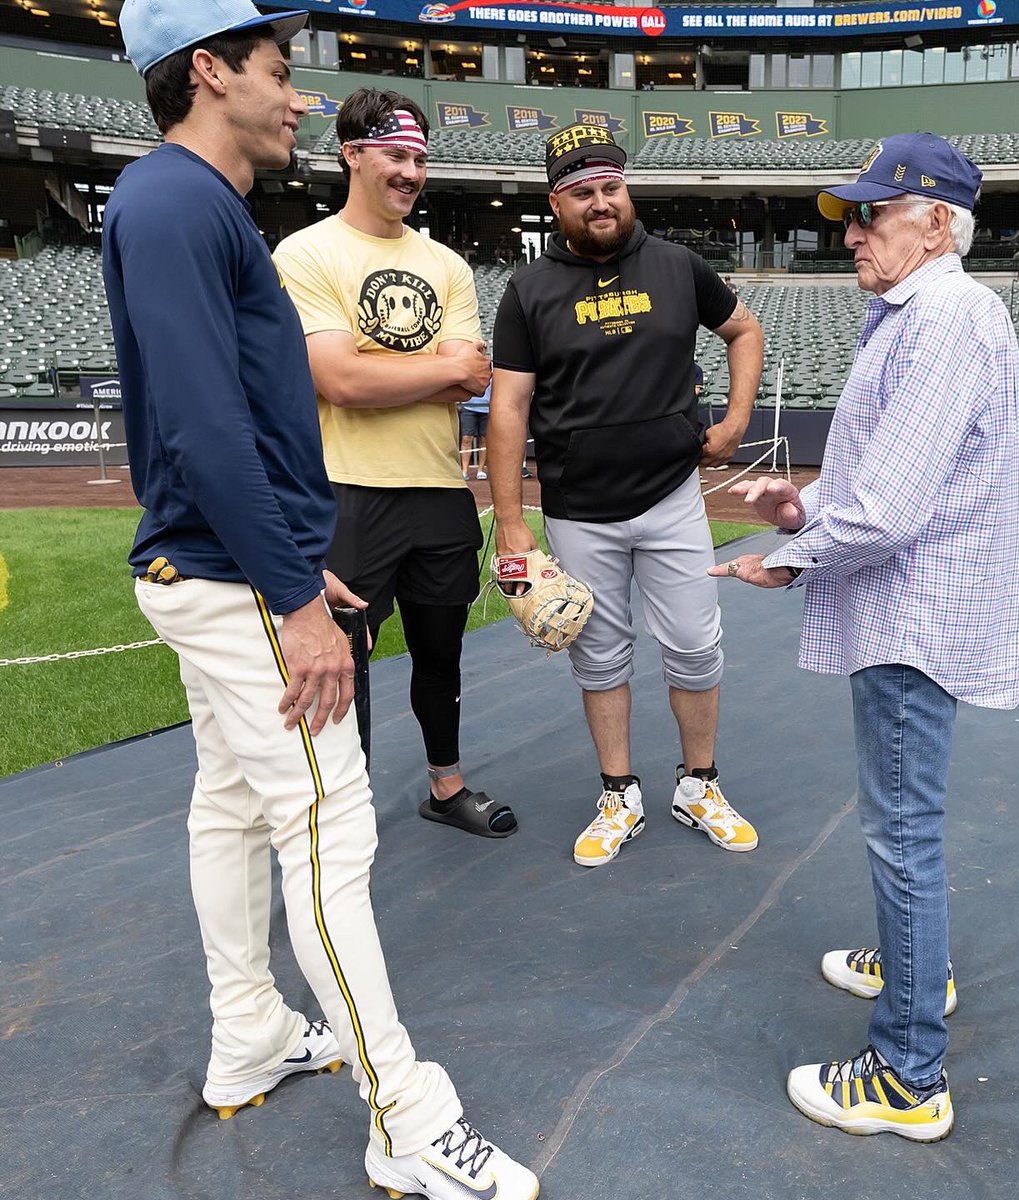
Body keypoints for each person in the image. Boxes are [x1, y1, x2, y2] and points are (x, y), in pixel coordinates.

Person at [102, 6, 536, 1197]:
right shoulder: (179, 201)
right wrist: (292, 592)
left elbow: (227, 416)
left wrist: (297, 555)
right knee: (329, 829)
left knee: (235, 810)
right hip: (237, 578)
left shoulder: (181, 203)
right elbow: (199, 425)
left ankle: (247, 1030)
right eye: (279, 71)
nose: (297, 97)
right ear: (210, 72)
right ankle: (402, 1115)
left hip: (232, 565)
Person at [712, 133, 1019, 1142]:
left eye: (875, 213)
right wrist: (802, 511)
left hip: (912, 616)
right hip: (909, 604)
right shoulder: (921, 313)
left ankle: (906, 1076)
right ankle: (913, 969)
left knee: (902, 834)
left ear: (938, 223)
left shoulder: (944, 316)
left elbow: (889, 515)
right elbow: (887, 489)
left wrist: (786, 557)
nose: (852, 230)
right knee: (904, 829)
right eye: (852, 214)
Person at [488, 123, 764, 868]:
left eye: (611, 187)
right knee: (600, 658)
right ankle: (620, 791)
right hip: (579, 509)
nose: (602, 202)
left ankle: (698, 783)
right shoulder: (528, 290)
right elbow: (508, 408)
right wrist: (512, 524)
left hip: (673, 496)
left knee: (697, 647)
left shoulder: (676, 265)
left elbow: (744, 329)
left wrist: (736, 419)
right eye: (583, 193)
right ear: (557, 203)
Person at [274, 88, 518, 839]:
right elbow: (339, 383)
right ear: (353, 155)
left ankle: (446, 787)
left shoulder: (444, 263)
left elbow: (473, 375)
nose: (411, 172)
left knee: (441, 654)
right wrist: (429, 374)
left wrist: (381, 370)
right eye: (395, 156)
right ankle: (344, 814)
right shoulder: (306, 253)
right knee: (342, 660)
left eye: (419, 158)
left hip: (439, 490)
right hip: (346, 491)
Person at [460, 377, 490, 481]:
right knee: (466, 439)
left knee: (484, 440)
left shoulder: (494, 367)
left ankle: (481, 470)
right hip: (468, 407)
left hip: (487, 407)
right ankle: (464, 470)